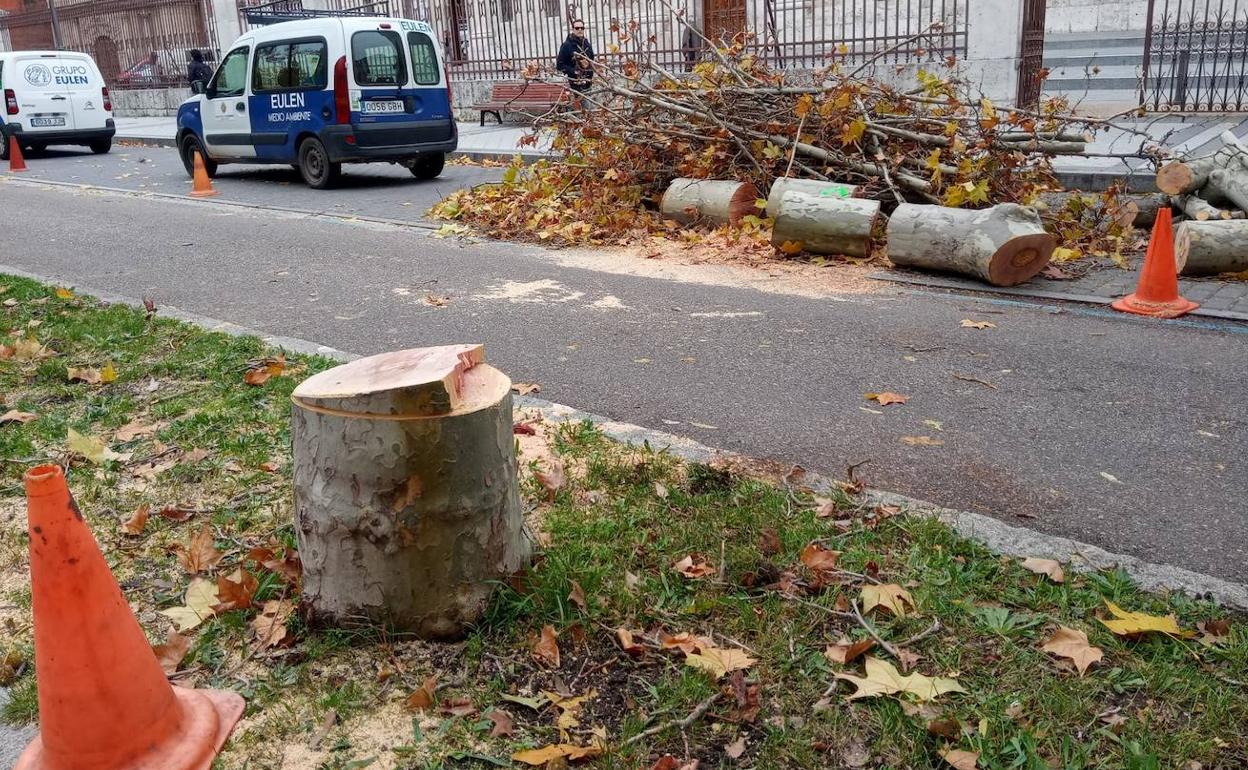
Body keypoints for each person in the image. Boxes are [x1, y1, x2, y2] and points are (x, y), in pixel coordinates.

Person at [556, 19, 594, 108]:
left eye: (582, 28)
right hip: (575, 83)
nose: (580, 30)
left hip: (588, 81)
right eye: (577, 28)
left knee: (587, 110)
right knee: (587, 108)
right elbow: (559, 65)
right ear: (573, 30)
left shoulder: (586, 43)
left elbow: (591, 59)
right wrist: (574, 71)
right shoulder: (567, 45)